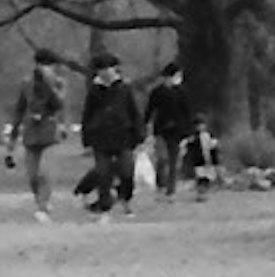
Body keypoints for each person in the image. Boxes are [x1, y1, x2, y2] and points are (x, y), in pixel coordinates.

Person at [79, 53, 144, 215]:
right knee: (103, 173)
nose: (105, 73)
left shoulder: (125, 88)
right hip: (100, 138)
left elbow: (134, 112)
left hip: (124, 137)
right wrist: (86, 138)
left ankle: (126, 198)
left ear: (114, 69)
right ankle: (104, 206)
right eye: (101, 70)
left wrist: (139, 135)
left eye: (108, 69)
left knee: (127, 171)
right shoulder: (94, 90)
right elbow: (87, 115)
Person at [13, 47, 70, 220]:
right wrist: (13, 135)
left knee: (44, 171)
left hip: (49, 130)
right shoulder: (26, 83)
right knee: (32, 175)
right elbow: (20, 108)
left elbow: (60, 104)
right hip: (31, 131)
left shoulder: (59, 83)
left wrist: (63, 125)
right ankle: (39, 199)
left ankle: (43, 206)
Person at [143, 60, 196, 201]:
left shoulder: (182, 92)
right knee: (162, 159)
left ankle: (170, 190)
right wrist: (144, 125)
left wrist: (190, 131)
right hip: (161, 130)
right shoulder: (157, 92)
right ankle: (161, 185)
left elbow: (188, 112)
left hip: (177, 131)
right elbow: (149, 110)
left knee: (174, 161)